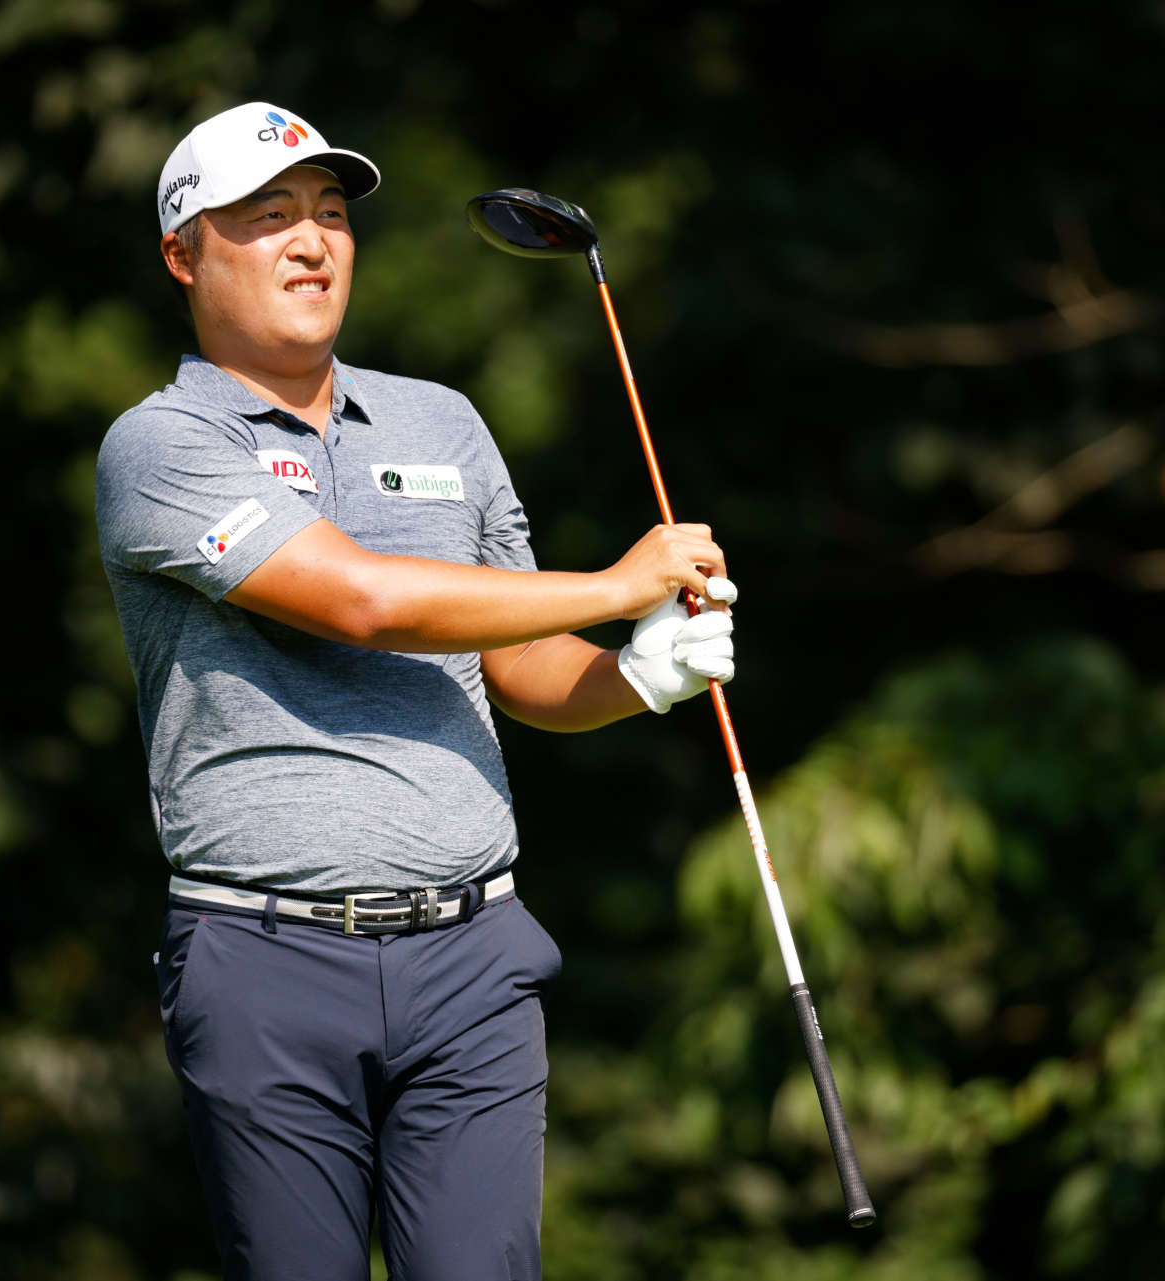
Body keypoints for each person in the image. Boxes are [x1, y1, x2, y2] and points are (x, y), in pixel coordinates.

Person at [94, 101, 737, 1281]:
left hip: (473, 957)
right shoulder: (161, 445)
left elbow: (519, 669)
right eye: (268, 217)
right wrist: (613, 581)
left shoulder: (446, 422)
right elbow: (364, 602)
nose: (312, 242)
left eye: (331, 215)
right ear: (184, 255)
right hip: (264, 960)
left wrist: (640, 673)